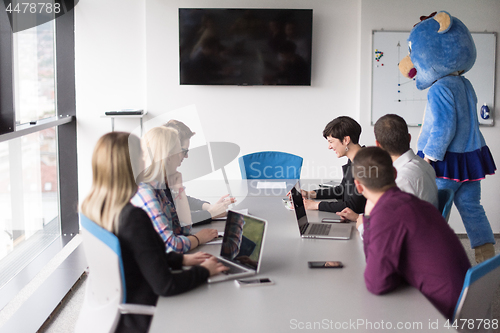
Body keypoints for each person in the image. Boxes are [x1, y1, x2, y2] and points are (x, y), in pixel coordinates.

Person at [81, 132, 227, 332]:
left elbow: (134, 254)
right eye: (141, 155)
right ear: (131, 164)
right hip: (142, 311)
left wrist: (179, 260)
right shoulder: (132, 217)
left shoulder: (94, 207)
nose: (145, 160)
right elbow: (166, 286)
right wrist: (205, 270)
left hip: (114, 305)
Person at [352, 146, 470, 320]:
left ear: (358, 186)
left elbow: (377, 283)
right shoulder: (412, 202)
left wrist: (368, 219)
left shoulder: (387, 213)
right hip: (461, 297)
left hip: (440, 311)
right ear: (394, 173)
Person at [338, 114, 438, 227]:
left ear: (378, 145)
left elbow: (388, 229)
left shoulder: (401, 179)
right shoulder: (425, 165)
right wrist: (358, 217)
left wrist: (361, 224)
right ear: (409, 138)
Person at [131, 127, 218, 253]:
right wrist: (199, 238)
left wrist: (178, 189)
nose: (183, 156)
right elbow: (171, 246)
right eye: (180, 151)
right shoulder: (146, 192)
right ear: (168, 157)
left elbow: (182, 229)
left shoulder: (158, 186)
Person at [164, 119, 235, 225]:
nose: (186, 156)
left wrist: (209, 207)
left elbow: (179, 200)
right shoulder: (155, 180)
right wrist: (211, 213)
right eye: (184, 151)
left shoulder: (167, 174)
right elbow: (175, 218)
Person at [301, 116, 366, 214]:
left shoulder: (365, 164)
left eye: (331, 142)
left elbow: (353, 206)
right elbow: (341, 189)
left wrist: (316, 205)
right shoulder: (354, 159)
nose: (329, 147)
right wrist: (310, 194)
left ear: (346, 140)